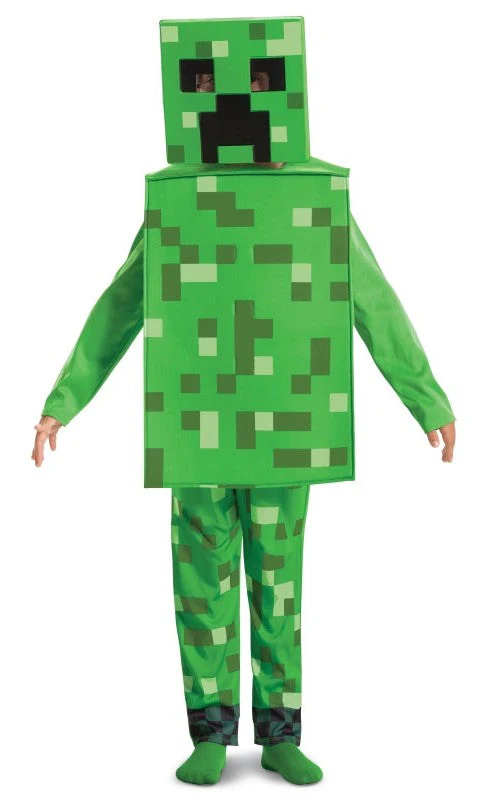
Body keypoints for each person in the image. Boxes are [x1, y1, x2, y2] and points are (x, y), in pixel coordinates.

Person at [32, 17, 456, 786]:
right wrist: (65, 400)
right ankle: (210, 732)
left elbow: (371, 299)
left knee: (277, 583)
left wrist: (424, 400)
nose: (233, 99)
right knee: (201, 582)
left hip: (287, 422)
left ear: (284, 92)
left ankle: (280, 732)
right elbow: (122, 303)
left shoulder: (315, 196)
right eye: (207, 84)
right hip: (195, 423)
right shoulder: (179, 200)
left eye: (257, 82)